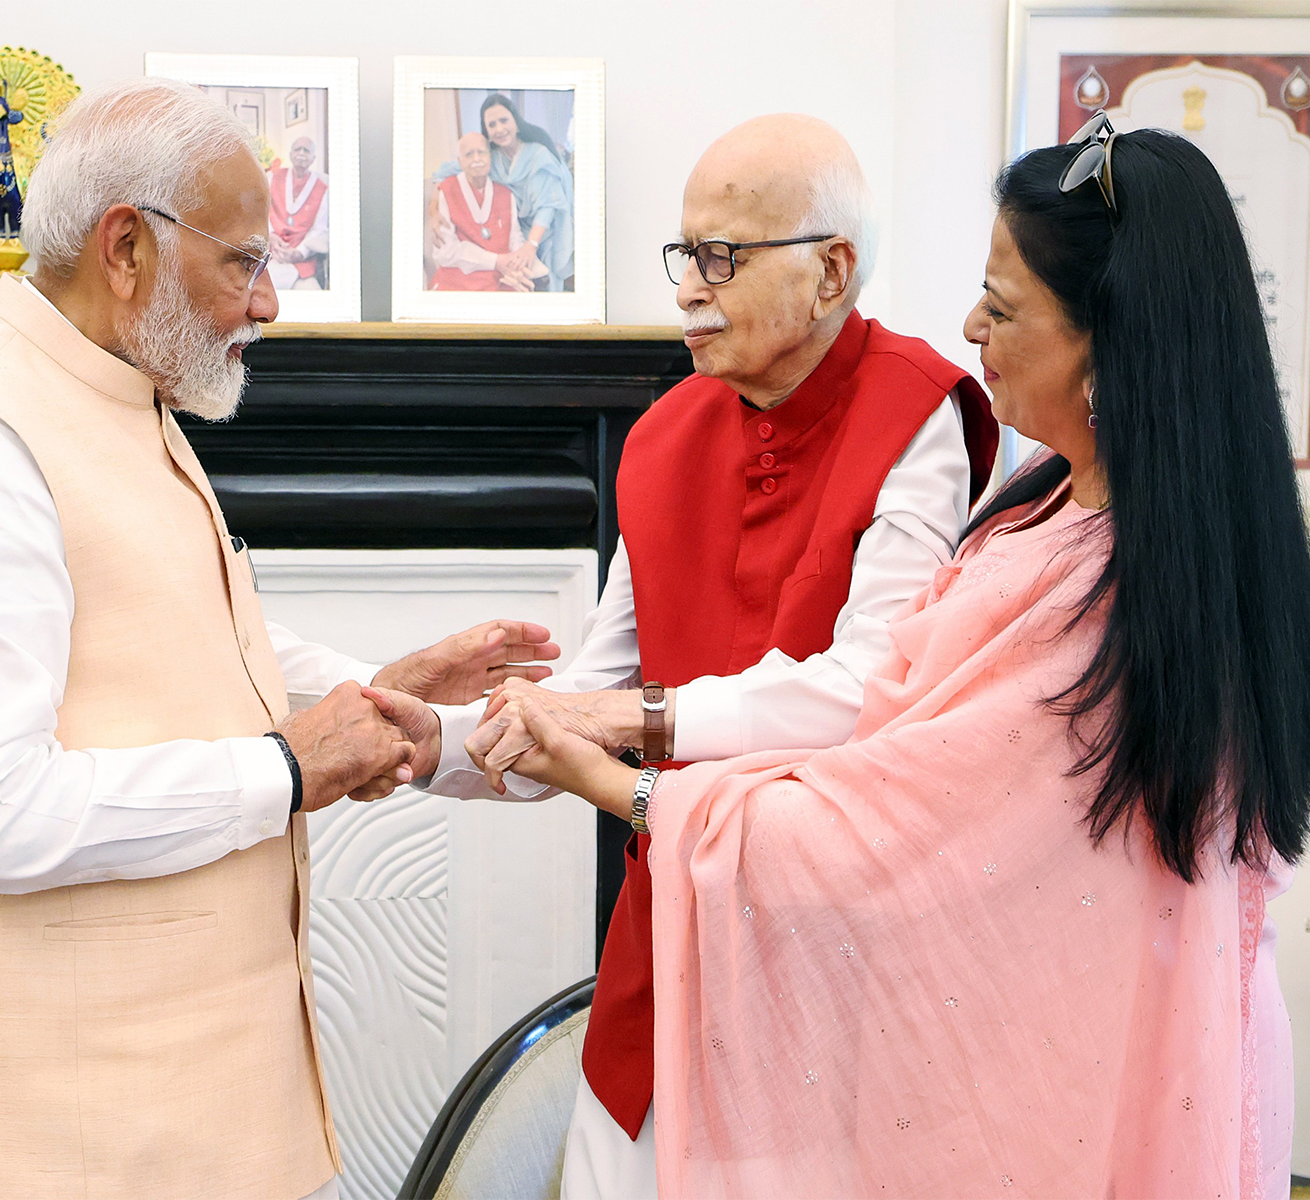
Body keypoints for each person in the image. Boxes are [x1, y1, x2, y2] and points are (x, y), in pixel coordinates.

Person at [497, 119, 1310, 1198]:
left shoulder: (1094, 581)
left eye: (1004, 307)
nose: (971, 322)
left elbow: (875, 802)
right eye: (686, 255)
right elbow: (886, 706)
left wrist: (614, 764)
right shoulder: (1050, 509)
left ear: (1110, 346)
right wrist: (472, 731)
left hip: (1051, 1062)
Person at [0, 78, 557, 1200]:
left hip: (175, 1123)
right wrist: (286, 769)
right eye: (244, 261)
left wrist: (370, 693)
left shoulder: (114, 392)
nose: (267, 301)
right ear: (125, 246)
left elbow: (169, 630)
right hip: (56, 1140)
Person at [386, 114, 997, 1200]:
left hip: (837, 955)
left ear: (830, 271)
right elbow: (593, 685)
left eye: (722, 257)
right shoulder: (662, 436)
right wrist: (430, 742)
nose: (688, 289)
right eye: (685, 255)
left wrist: (637, 723)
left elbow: (869, 695)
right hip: (665, 930)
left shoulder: (918, 413)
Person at [433, 93, 576, 291]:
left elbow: (548, 206)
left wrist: (530, 246)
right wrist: (434, 207)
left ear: (516, 122)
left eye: (504, 120)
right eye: (492, 125)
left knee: (541, 283)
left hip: (543, 234)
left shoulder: (538, 155)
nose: (499, 129)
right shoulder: (491, 157)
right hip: (515, 235)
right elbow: (448, 171)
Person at [430, 132, 546, 292]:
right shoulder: (448, 190)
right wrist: (495, 261)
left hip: (501, 277)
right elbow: (444, 252)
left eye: (482, 152)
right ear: (460, 162)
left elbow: (515, 238)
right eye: (469, 154)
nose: (477, 159)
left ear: (490, 157)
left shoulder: (505, 193)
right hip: (459, 280)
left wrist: (517, 263)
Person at [266, 135, 328, 291]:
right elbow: (261, 213)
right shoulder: (272, 177)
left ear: (313, 158)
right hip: (271, 251)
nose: (301, 153)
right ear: (291, 154)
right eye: (297, 149)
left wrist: (300, 253)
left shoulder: (323, 187)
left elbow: (320, 229)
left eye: (306, 151)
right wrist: (270, 236)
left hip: (301, 259)